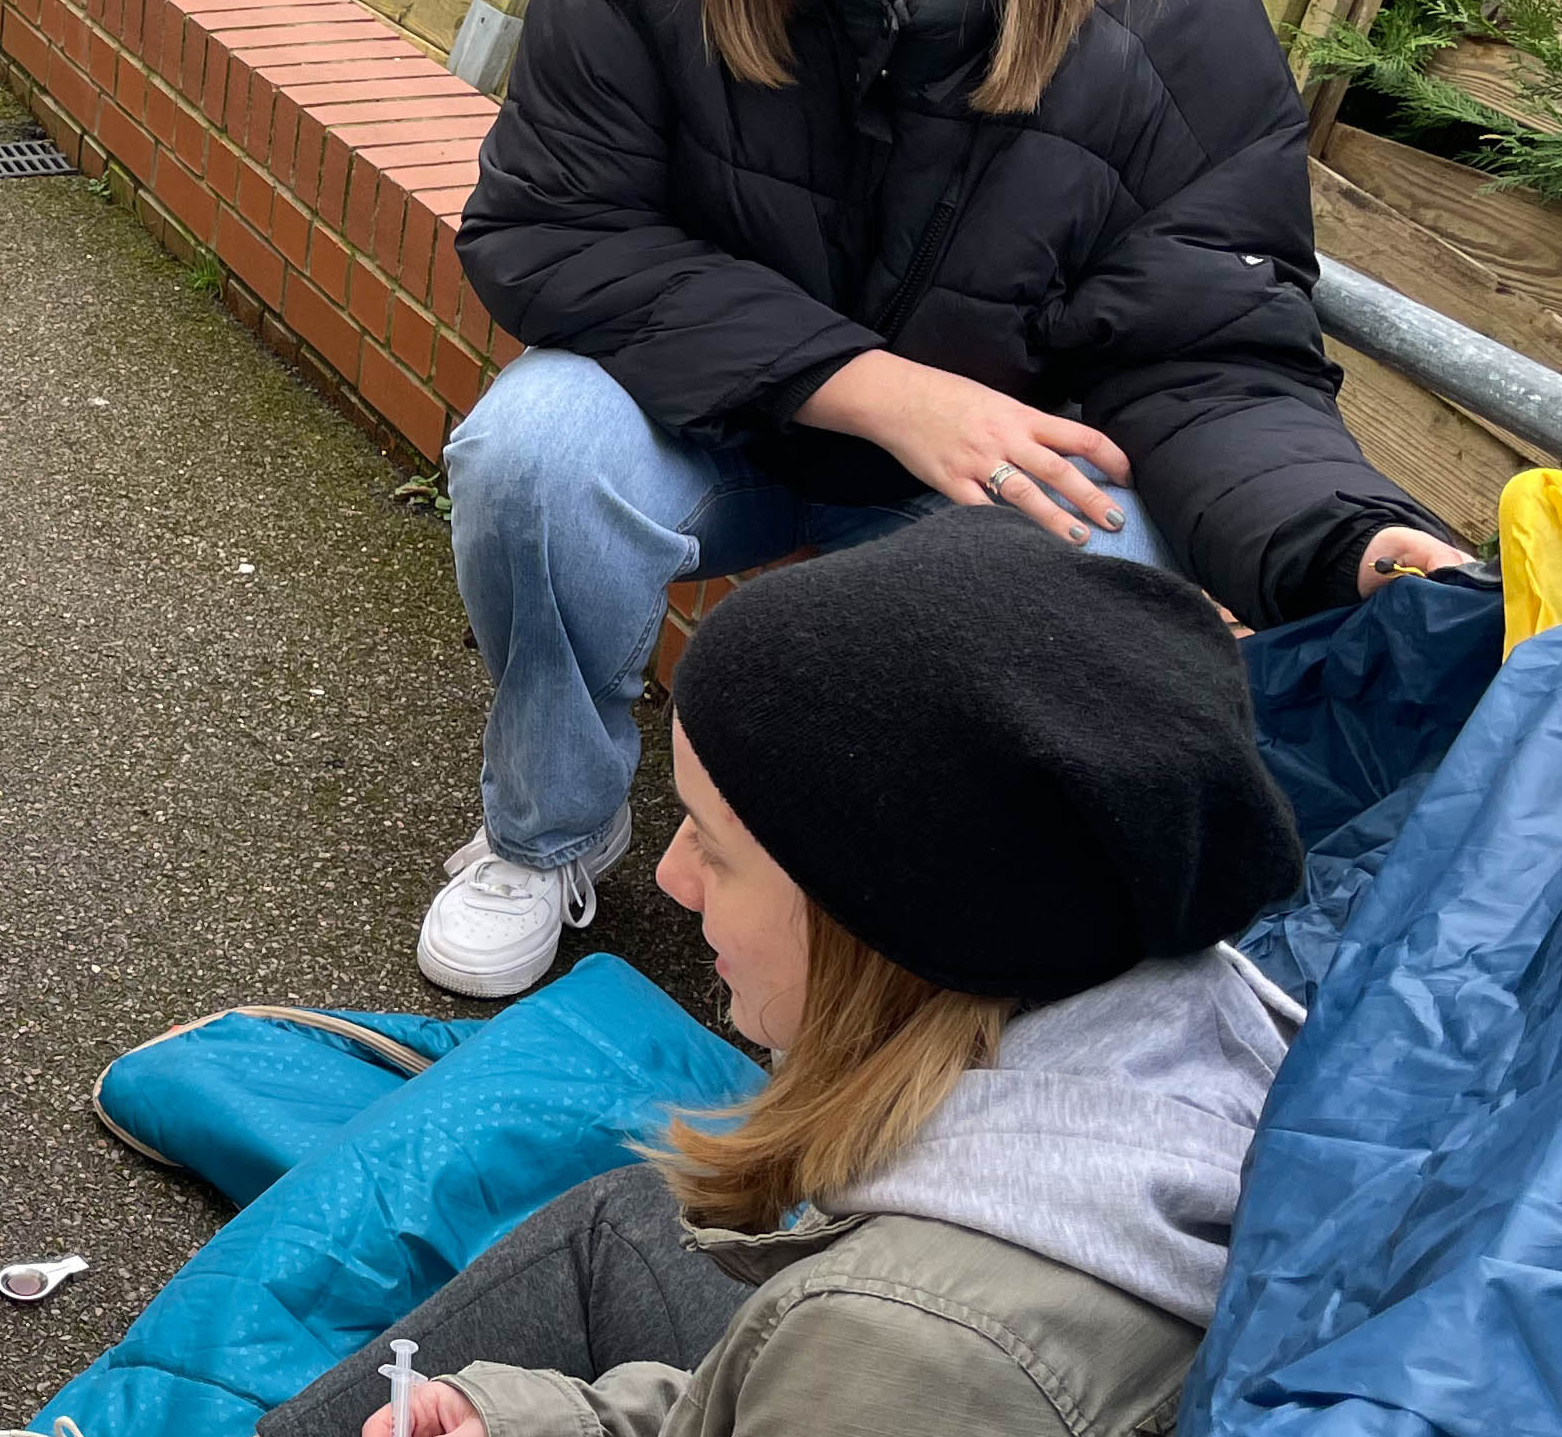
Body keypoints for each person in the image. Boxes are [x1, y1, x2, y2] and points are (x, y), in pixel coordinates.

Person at [416, 0, 1465, 997]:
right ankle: (544, 828)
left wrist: (1352, 538)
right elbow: (549, 227)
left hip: (978, 474)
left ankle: (903, 924)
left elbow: (1207, 346)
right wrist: (873, 386)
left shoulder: (1171, 2)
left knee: (1117, 551)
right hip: (712, 420)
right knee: (532, 451)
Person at [262, 504, 1308, 1437]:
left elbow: (862, 1376)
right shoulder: (1173, 1021)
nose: (670, 880)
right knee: (634, 1211)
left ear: (888, 923)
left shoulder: (906, 1353)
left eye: (713, 847)